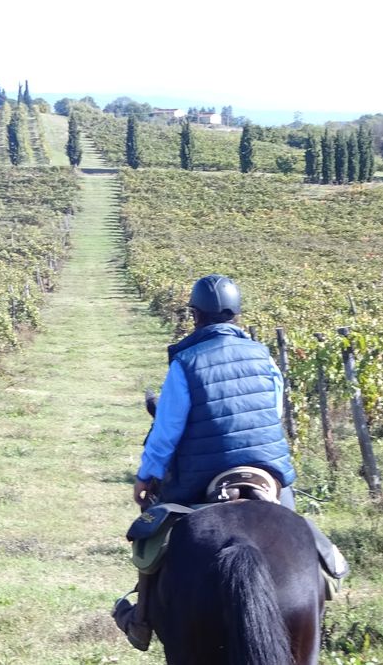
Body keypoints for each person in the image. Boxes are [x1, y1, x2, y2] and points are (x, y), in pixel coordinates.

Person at [112, 274, 298, 650]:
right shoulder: (265, 356)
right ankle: (327, 572)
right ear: (236, 314)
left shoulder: (187, 362)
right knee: (297, 531)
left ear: (195, 316)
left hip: (203, 474)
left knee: (151, 536)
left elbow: (167, 430)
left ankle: (142, 619)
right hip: (267, 471)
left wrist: (146, 475)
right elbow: (273, 411)